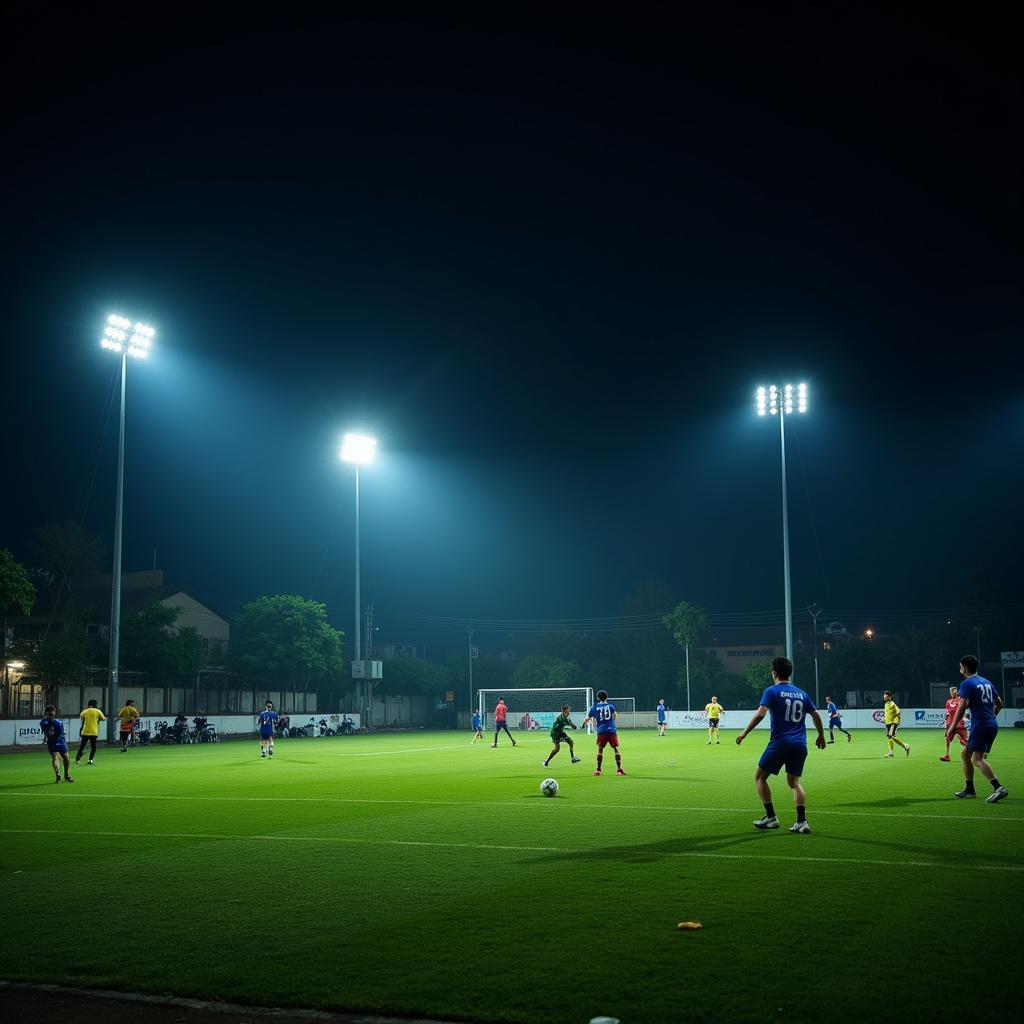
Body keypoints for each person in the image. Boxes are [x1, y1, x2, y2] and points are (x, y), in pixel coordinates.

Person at [735, 656, 825, 833]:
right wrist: (821, 736)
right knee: (794, 782)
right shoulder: (801, 693)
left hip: (780, 742)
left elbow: (761, 714)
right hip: (800, 744)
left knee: (760, 777)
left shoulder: (772, 691)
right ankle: (802, 822)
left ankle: (771, 817)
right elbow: (815, 715)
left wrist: (744, 733)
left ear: (774, 673)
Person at [947, 654, 1008, 803]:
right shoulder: (987, 682)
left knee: (977, 759)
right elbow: (1000, 703)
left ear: (965, 668)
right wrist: (992, 717)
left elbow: (962, 706)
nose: (960, 668)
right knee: (965, 754)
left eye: (961, 666)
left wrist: (953, 726)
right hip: (990, 724)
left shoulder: (967, 683)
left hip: (980, 725)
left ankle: (998, 787)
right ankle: (969, 789)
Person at [582, 690, 625, 776]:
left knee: (600, 749)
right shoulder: (611, 706)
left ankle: (598, 770)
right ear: (607, 697)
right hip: (611, 730)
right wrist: (612, 722)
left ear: (598, 698)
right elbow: (615, 715)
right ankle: (619, 770)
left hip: (601, 731)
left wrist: (585, 723)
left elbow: (588, 718)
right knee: (615, 749)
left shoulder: (595, 707)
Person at [40, 706, 74, 783]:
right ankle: (67, 775)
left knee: (55, 757)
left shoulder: (43, 723)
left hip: (51, 742)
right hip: (60, 741)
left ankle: (57, 773)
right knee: (66, 757)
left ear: (46, 713)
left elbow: (45, 730)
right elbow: (60, 733)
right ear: (54, 713)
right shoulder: (59, 723)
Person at [940, 685, 967, 762]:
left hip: (959, 724)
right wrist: (945, 722)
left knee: (964, 741)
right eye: (952, 691)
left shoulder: (961, 700)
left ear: (957, 692)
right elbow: (947, 713)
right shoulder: (948, 702)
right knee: (947, 739)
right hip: (951, 724)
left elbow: (964, 710)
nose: (953, 693)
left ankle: (976, 751)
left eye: (954, 691)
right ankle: (947, 755)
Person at [76, 699, 106, 765]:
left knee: (82, 746)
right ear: (95, 705)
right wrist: (98, 719)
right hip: (93, 731)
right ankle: (90, 760)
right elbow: (103, 718)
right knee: (93, 747)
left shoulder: (85, 711)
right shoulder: (98, 711)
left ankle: (77, 758)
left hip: (85, 731)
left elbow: (81, 717)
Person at [882, 691, 910, 758]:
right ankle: (905, 746)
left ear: (889, 697)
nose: (884, 697)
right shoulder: (886, 704)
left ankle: (891, 753)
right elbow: (887, 713)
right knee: (891, 737)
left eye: (885, 696)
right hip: (888, 723)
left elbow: (898, 712)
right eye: (884, 696)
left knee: (890, 736)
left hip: (893, 722)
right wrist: (884, 718)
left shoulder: (892, 704)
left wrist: (896, 722)